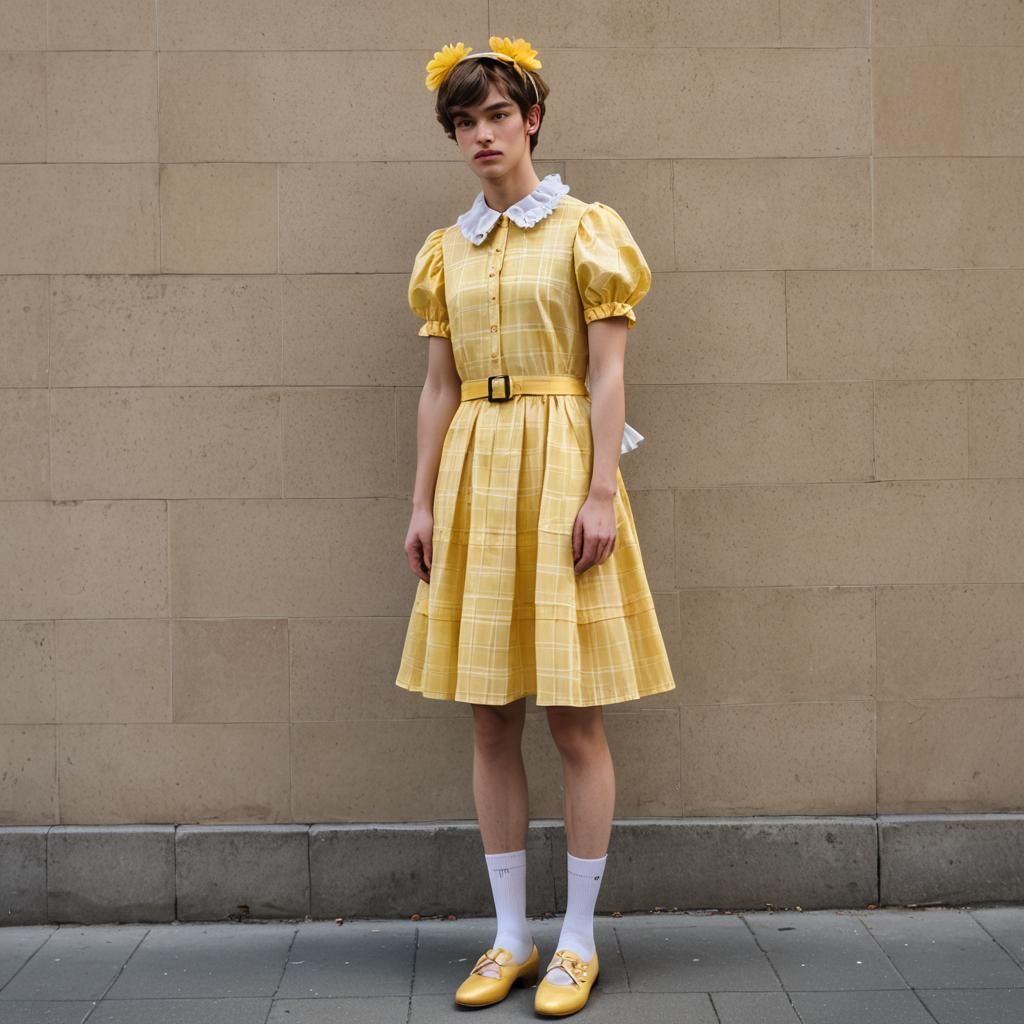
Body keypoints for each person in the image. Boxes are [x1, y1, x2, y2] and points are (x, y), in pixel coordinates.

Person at [395, 36, 677, 1017]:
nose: (481, 135)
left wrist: (602, 489)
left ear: (531, 118)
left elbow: (607, 372)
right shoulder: (448, 252)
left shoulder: (585, 231)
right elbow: (438, 389)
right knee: (488, 713)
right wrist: (423, 500)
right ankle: (510, 933)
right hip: (477, 472)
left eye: (496, 116)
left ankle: (575, 939)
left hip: (560, 469)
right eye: (464, 122)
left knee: (573, 714)